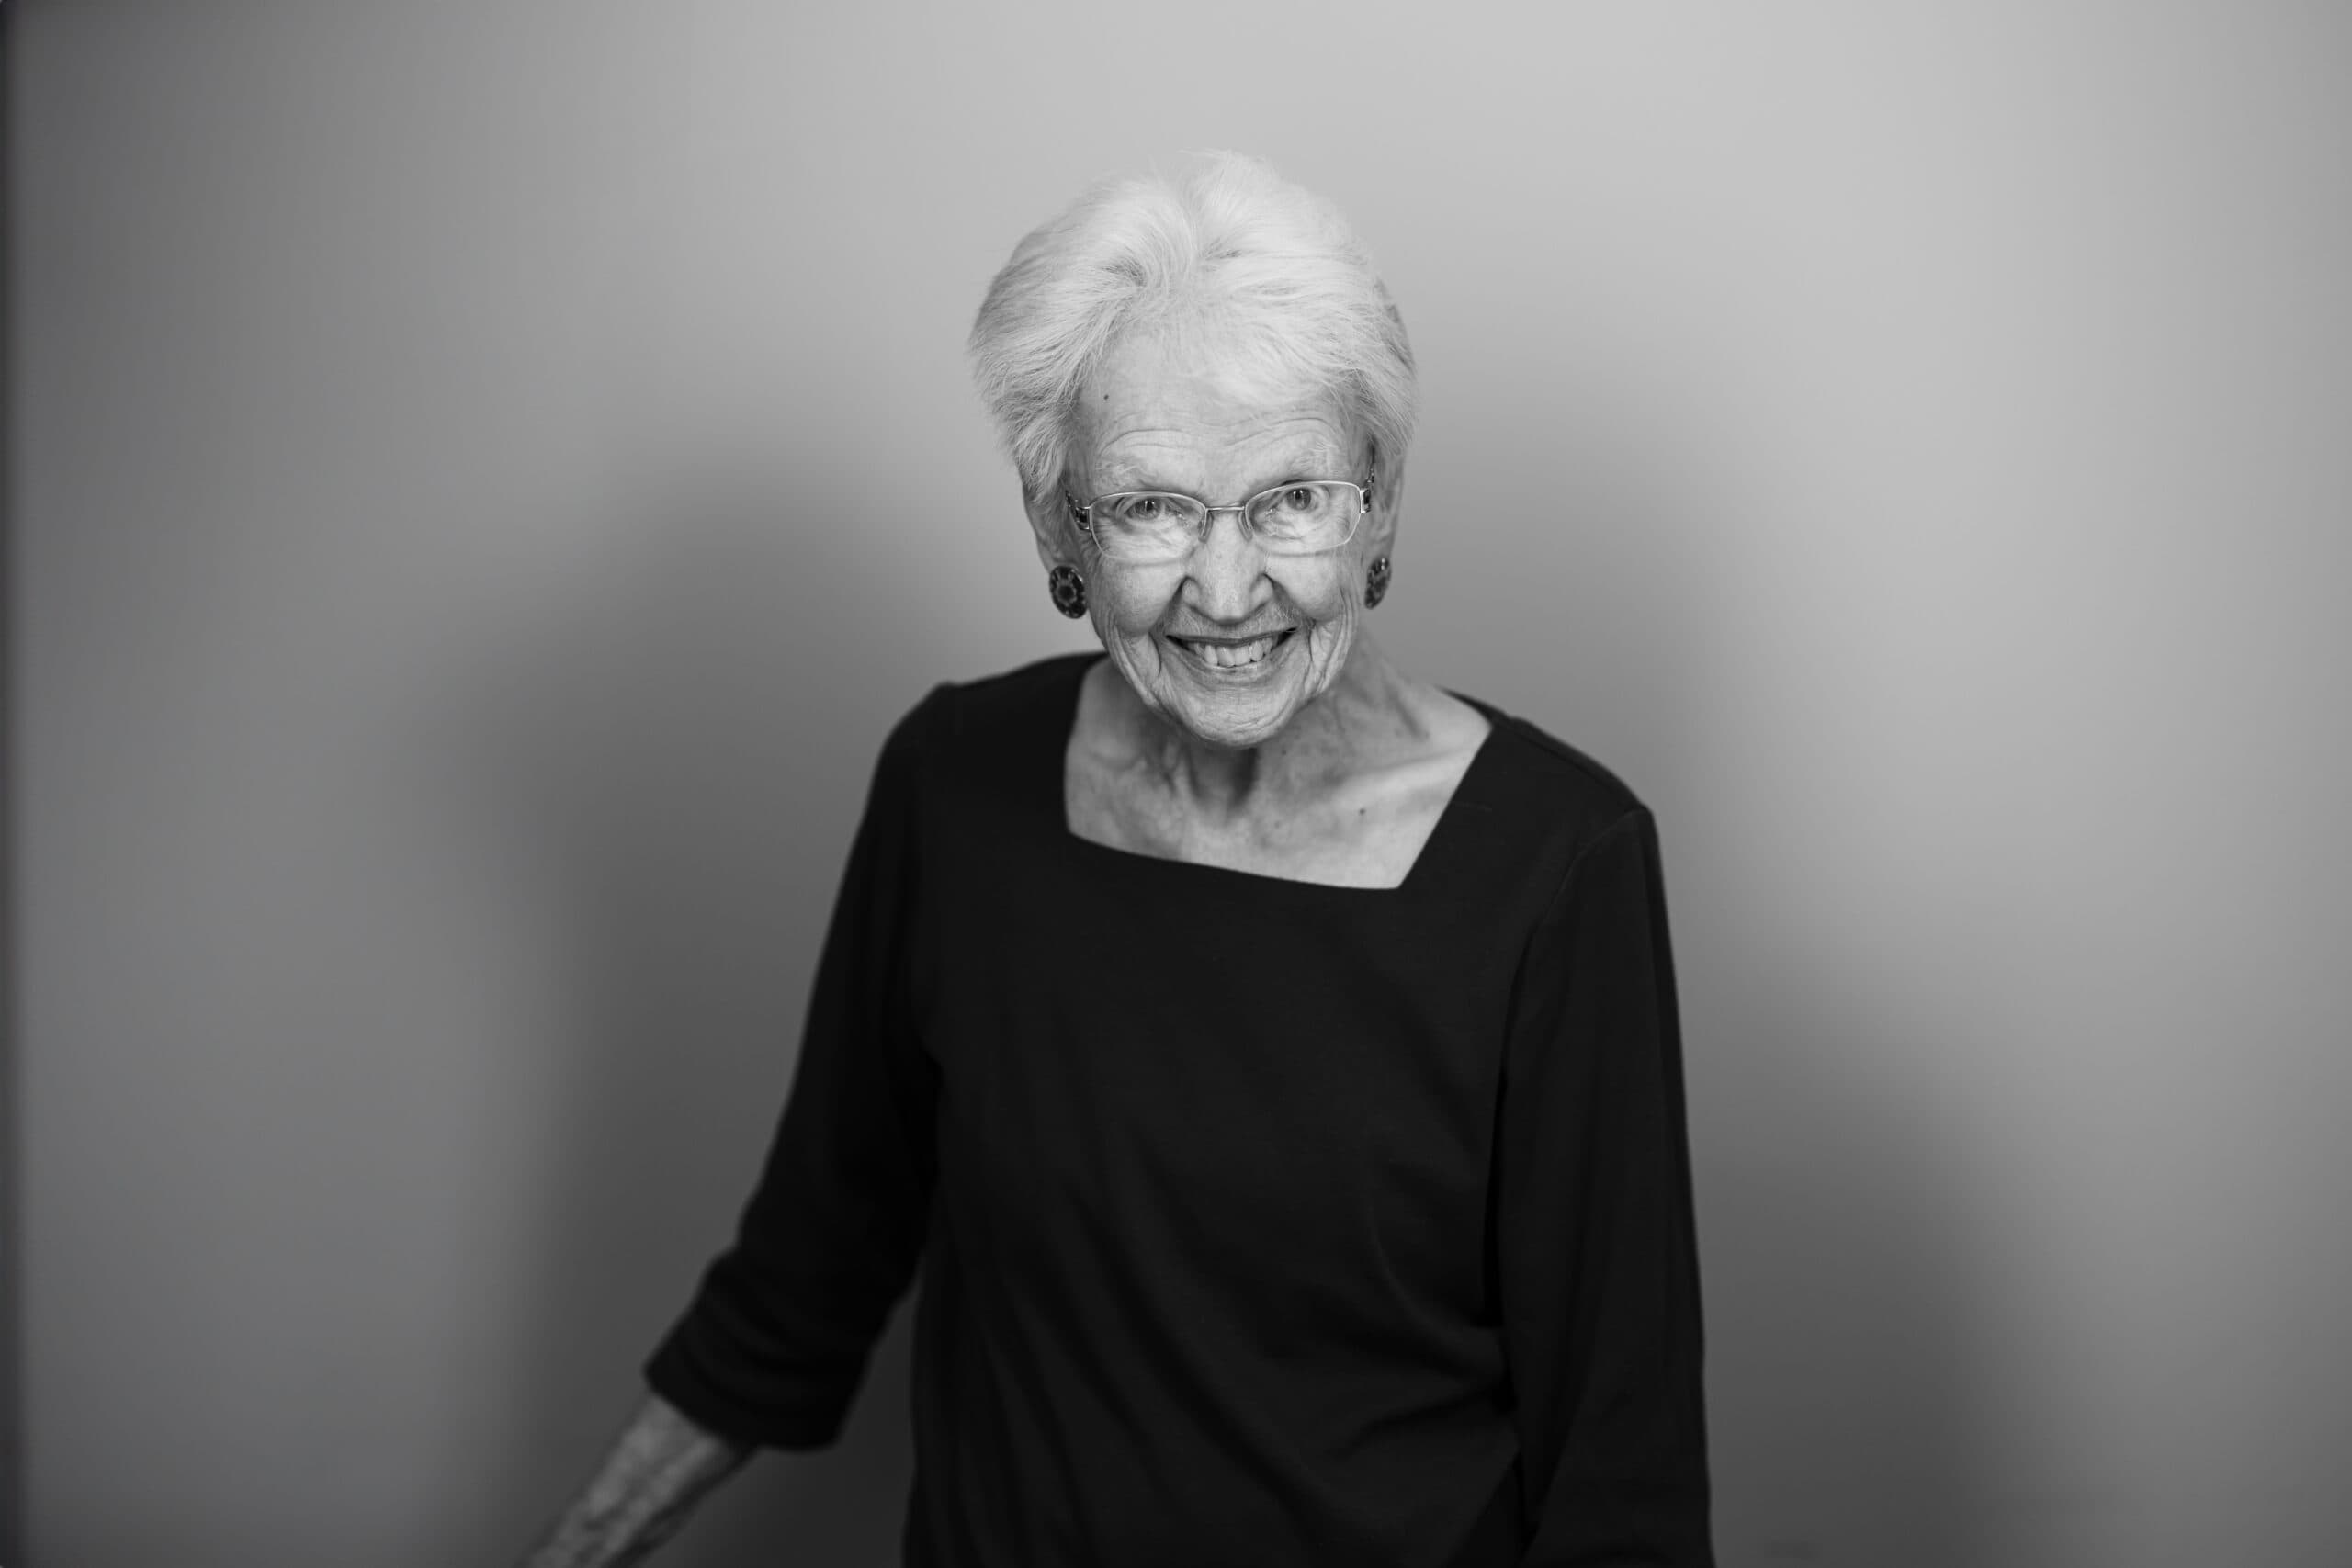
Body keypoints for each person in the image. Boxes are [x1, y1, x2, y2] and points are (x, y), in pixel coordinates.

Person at [520, 152, 1712, 1567]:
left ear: (1381, 503)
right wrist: (572, 1550)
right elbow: (805, 1272)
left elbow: (1620, 1493)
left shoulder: (1557, 868)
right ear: (1056, 526)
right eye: (1152, 507)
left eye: (1291, 500)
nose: (1225, 591)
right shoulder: (953, 787)